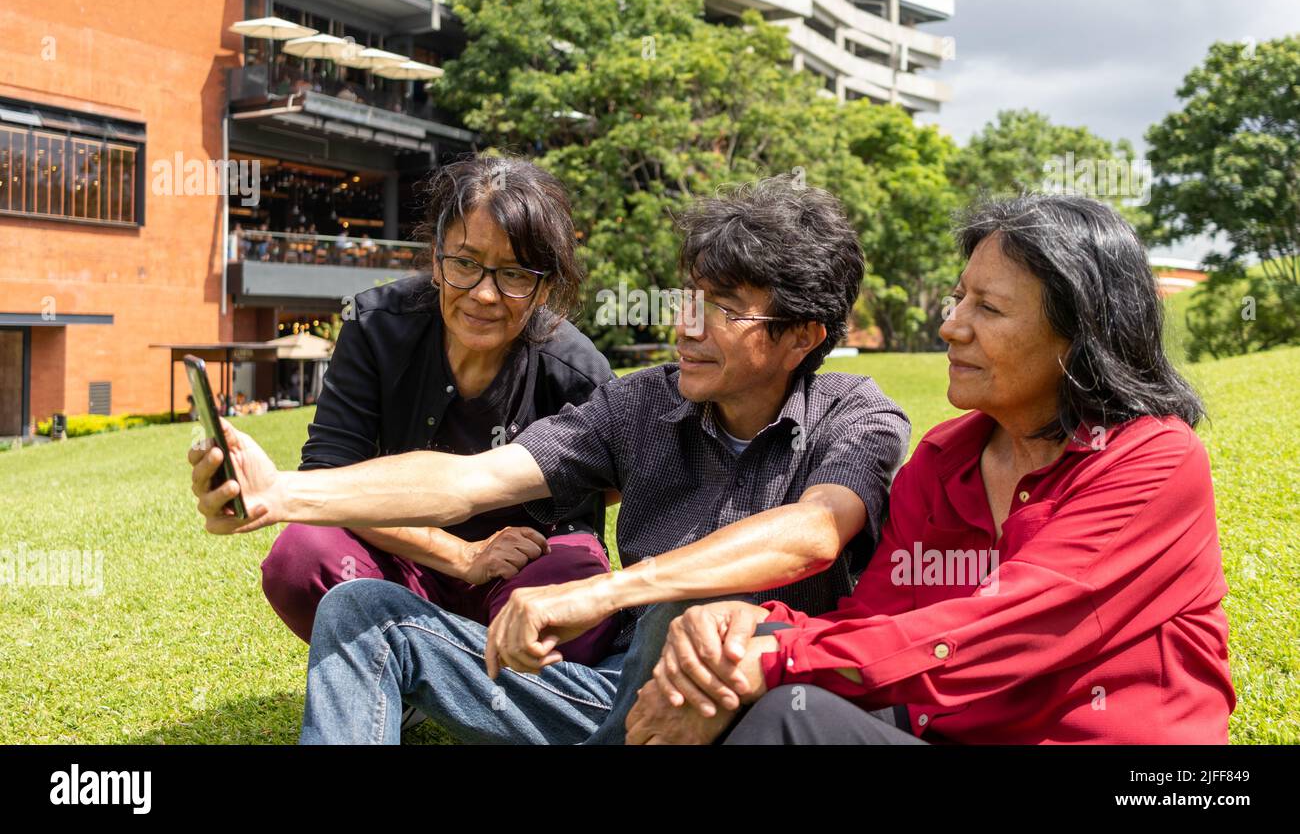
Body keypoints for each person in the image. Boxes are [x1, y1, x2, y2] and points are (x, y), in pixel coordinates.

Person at [191, 174, 910, 745]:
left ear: (801, 335)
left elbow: (813, 533)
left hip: (755, 703)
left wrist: (605, 593)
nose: (686, 326)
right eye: (687, 298)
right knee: (358, 609)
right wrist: (281, 493)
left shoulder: (856, 413)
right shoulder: (639, 405)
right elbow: (471, 480)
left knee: (688, 606)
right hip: (614, 694)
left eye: (724, 308)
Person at [628, 193, 1235, 745]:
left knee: (788, 713)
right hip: (947, 732)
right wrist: (749, 624)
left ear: (1079, 335)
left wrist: (773, 658)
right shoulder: (944, 461)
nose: (951, 326)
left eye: (989, 309)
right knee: (752, 673)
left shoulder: (1153, 459)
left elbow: (1005, 628)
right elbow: (878, 623)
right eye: (958, 298)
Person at [188, 155, 622, 720]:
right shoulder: (377, 324)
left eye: (514, 274)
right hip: (403, 559)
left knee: (575, 597)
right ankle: (419, 672)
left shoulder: (576, 367)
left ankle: (425, 672)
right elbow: (329, 477)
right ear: (437, 260)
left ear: (544, 288)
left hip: (523, 569)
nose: (484, 294)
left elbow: (618, 481)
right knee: (302, 556)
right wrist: (461, 554)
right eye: (465, 263)